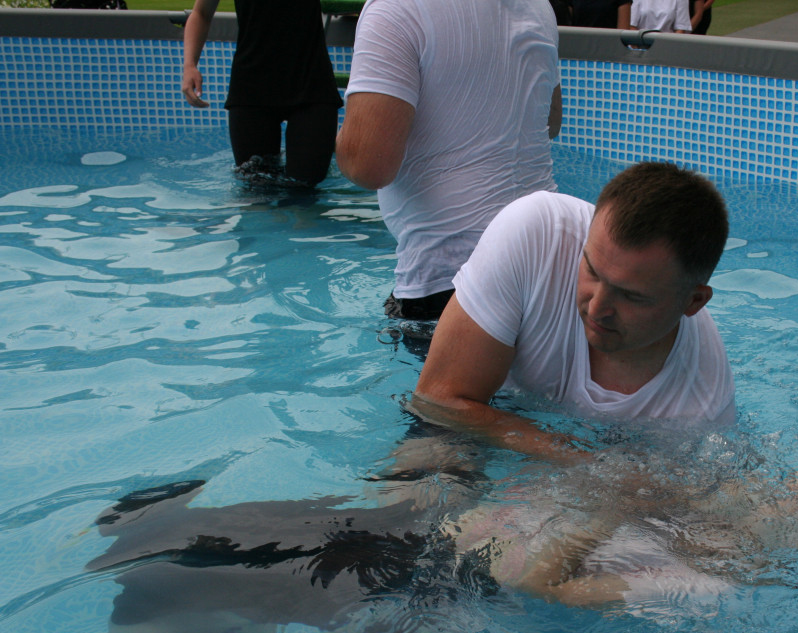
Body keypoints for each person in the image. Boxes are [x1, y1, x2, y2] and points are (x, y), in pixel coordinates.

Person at [413, 162, 734, 462]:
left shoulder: (702, 404)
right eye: (592, 270)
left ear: (693, 302)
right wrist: (581, 461)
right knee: (427, 466)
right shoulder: (537, 235)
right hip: (469, 392)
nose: (597, 307)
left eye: (630, 296)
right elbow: (438, 400)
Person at [335, 0, 562, 321]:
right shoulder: (539, 6)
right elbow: (550, 122)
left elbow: (368, 165)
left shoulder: (396, 7)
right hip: (549, 261)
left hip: (448, 274)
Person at [181, 0, 342, 188]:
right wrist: (189, 65)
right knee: (255, 192)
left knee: (306, 190)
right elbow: (201, 13)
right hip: (251, 88)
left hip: (312, 85)